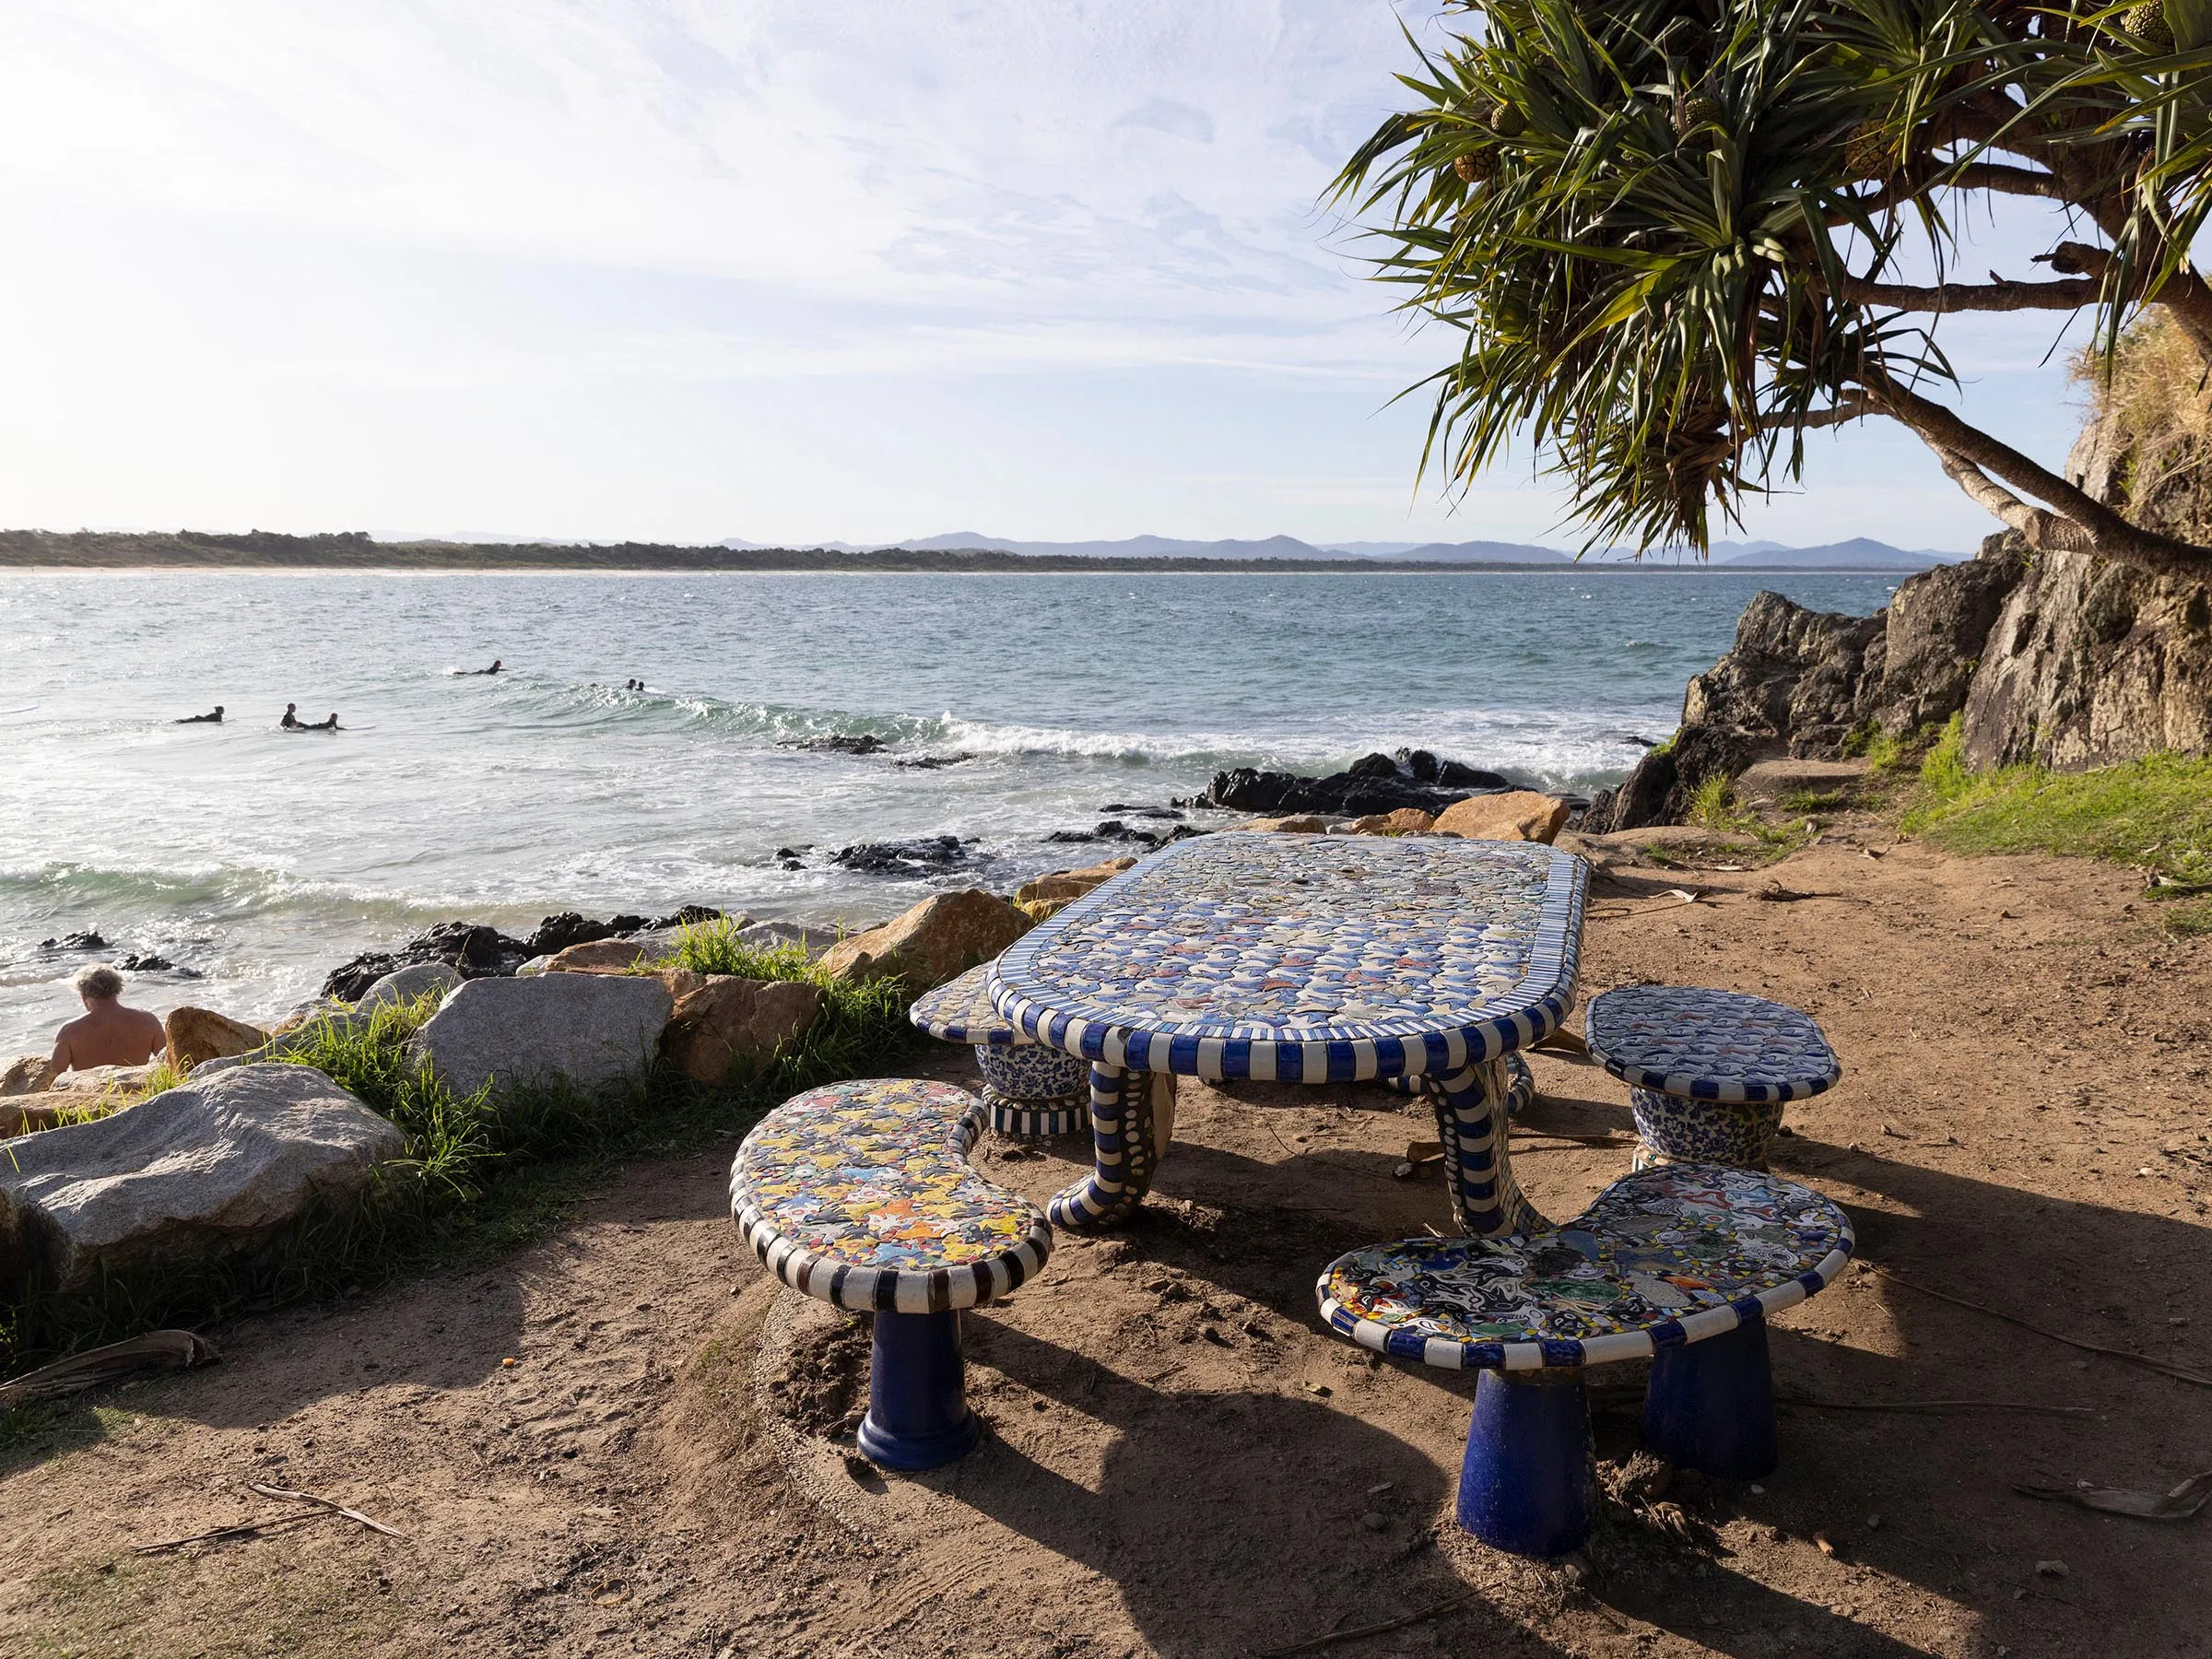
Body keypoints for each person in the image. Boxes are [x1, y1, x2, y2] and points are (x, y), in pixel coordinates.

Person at [48, 964, 166, 1074]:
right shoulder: (148, 1021)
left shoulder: (70, 1030)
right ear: (117, 991)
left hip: (89, 1092)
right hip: (137, 1090)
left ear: (83, 997)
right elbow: (170, 1061)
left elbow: (54, 1075)